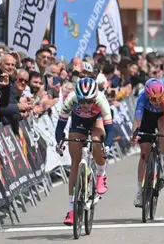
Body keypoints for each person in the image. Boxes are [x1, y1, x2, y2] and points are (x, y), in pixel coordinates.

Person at [55, 78, 113, 225]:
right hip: (78, 122)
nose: (86, 105)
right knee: (75, 162)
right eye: (82, 101)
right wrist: (60, 141)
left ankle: (101, 173)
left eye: (89, 101)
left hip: (96, 120)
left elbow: (110, 129)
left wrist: (106, 145)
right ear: (77, 98)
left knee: (95, 139)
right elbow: (60, 125)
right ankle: (71, 210)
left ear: (95, 97)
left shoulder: (101, 100)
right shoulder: (71, 99)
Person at [131, 79, 164, 207]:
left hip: (162, 117)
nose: (156, 102)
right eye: (153, 99)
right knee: (144, 153)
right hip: (147, 116)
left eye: (158, 99)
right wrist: (134, 135)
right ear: (147, 95)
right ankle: (139, 192)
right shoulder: (142, 98)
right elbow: (137, 120)